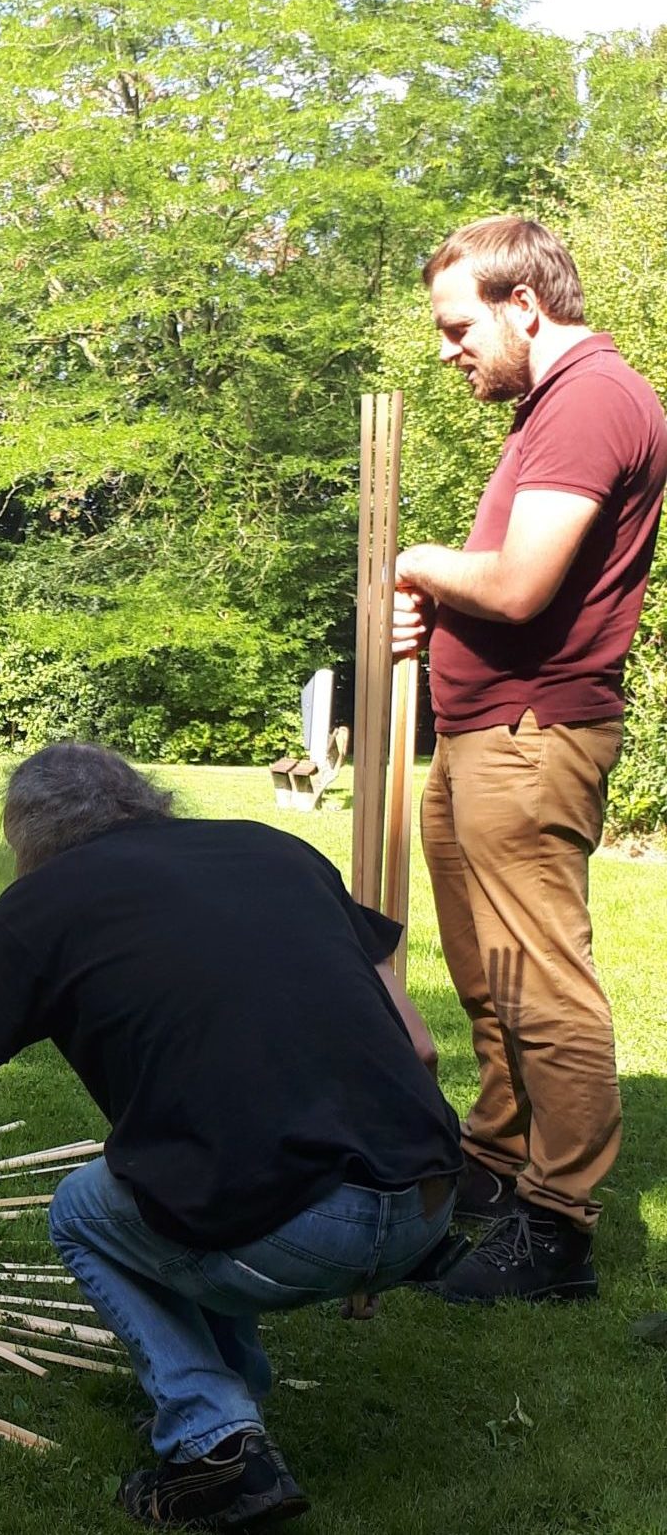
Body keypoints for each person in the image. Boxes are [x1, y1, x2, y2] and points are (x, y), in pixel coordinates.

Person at [0, 744, 462, 1531]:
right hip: (425, 1202)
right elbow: (418, 1048)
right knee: (179, 1171)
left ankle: (218, 1449)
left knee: (86, 1207)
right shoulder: (281, 850)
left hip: (302, 1231)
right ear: (148, 799)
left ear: (23, 838)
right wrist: (384, 1203)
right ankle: (233, 1383)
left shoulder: (37, 909)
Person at [393, 215, 667, 1303]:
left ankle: (556, 1229)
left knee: (543, 981)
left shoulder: (594, 400)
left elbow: (515, 587)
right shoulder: (551, 409)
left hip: (531, 733)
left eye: (460, 327)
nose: (451, 349)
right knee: (489, 975)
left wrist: (421, 561)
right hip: (482, 731)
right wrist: (436, 613)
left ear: (523, 305)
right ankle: (497, 1162)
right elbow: (498, 589)